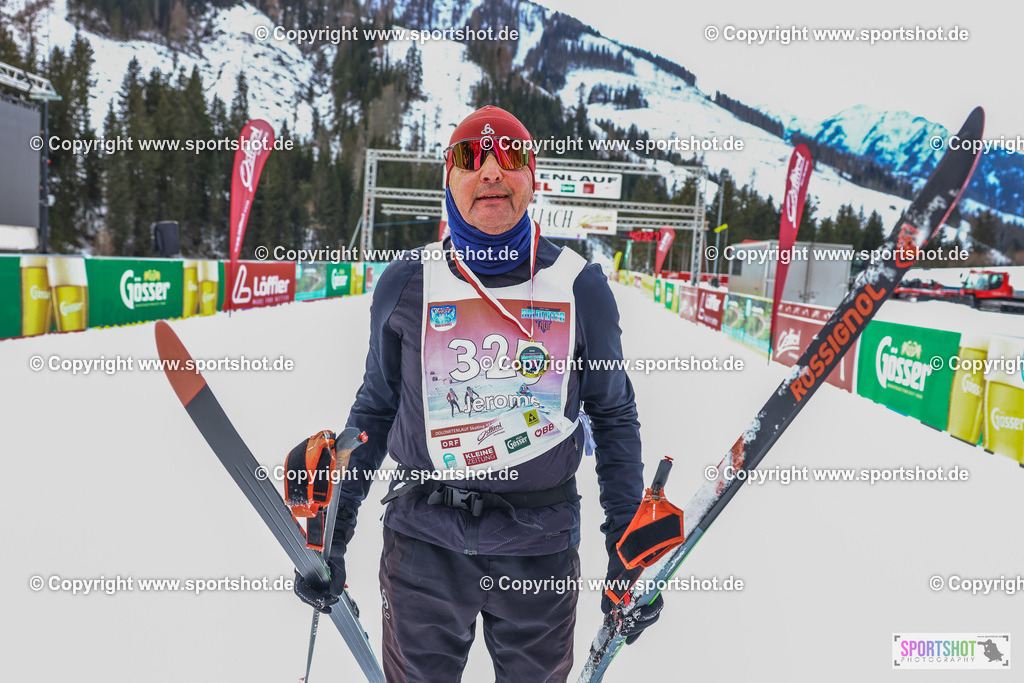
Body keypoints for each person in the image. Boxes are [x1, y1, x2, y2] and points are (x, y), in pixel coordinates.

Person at [293, 105, 663, 682]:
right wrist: (332, 537)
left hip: (539, 549)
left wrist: (627, 550)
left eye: (509, 156)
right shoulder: (408, 282)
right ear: (450, 177)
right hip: (423, 544)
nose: (491, 171)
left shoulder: (580, 287)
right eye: (472, 157)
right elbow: (375, 408)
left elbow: (613, 415)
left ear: (532, 178)